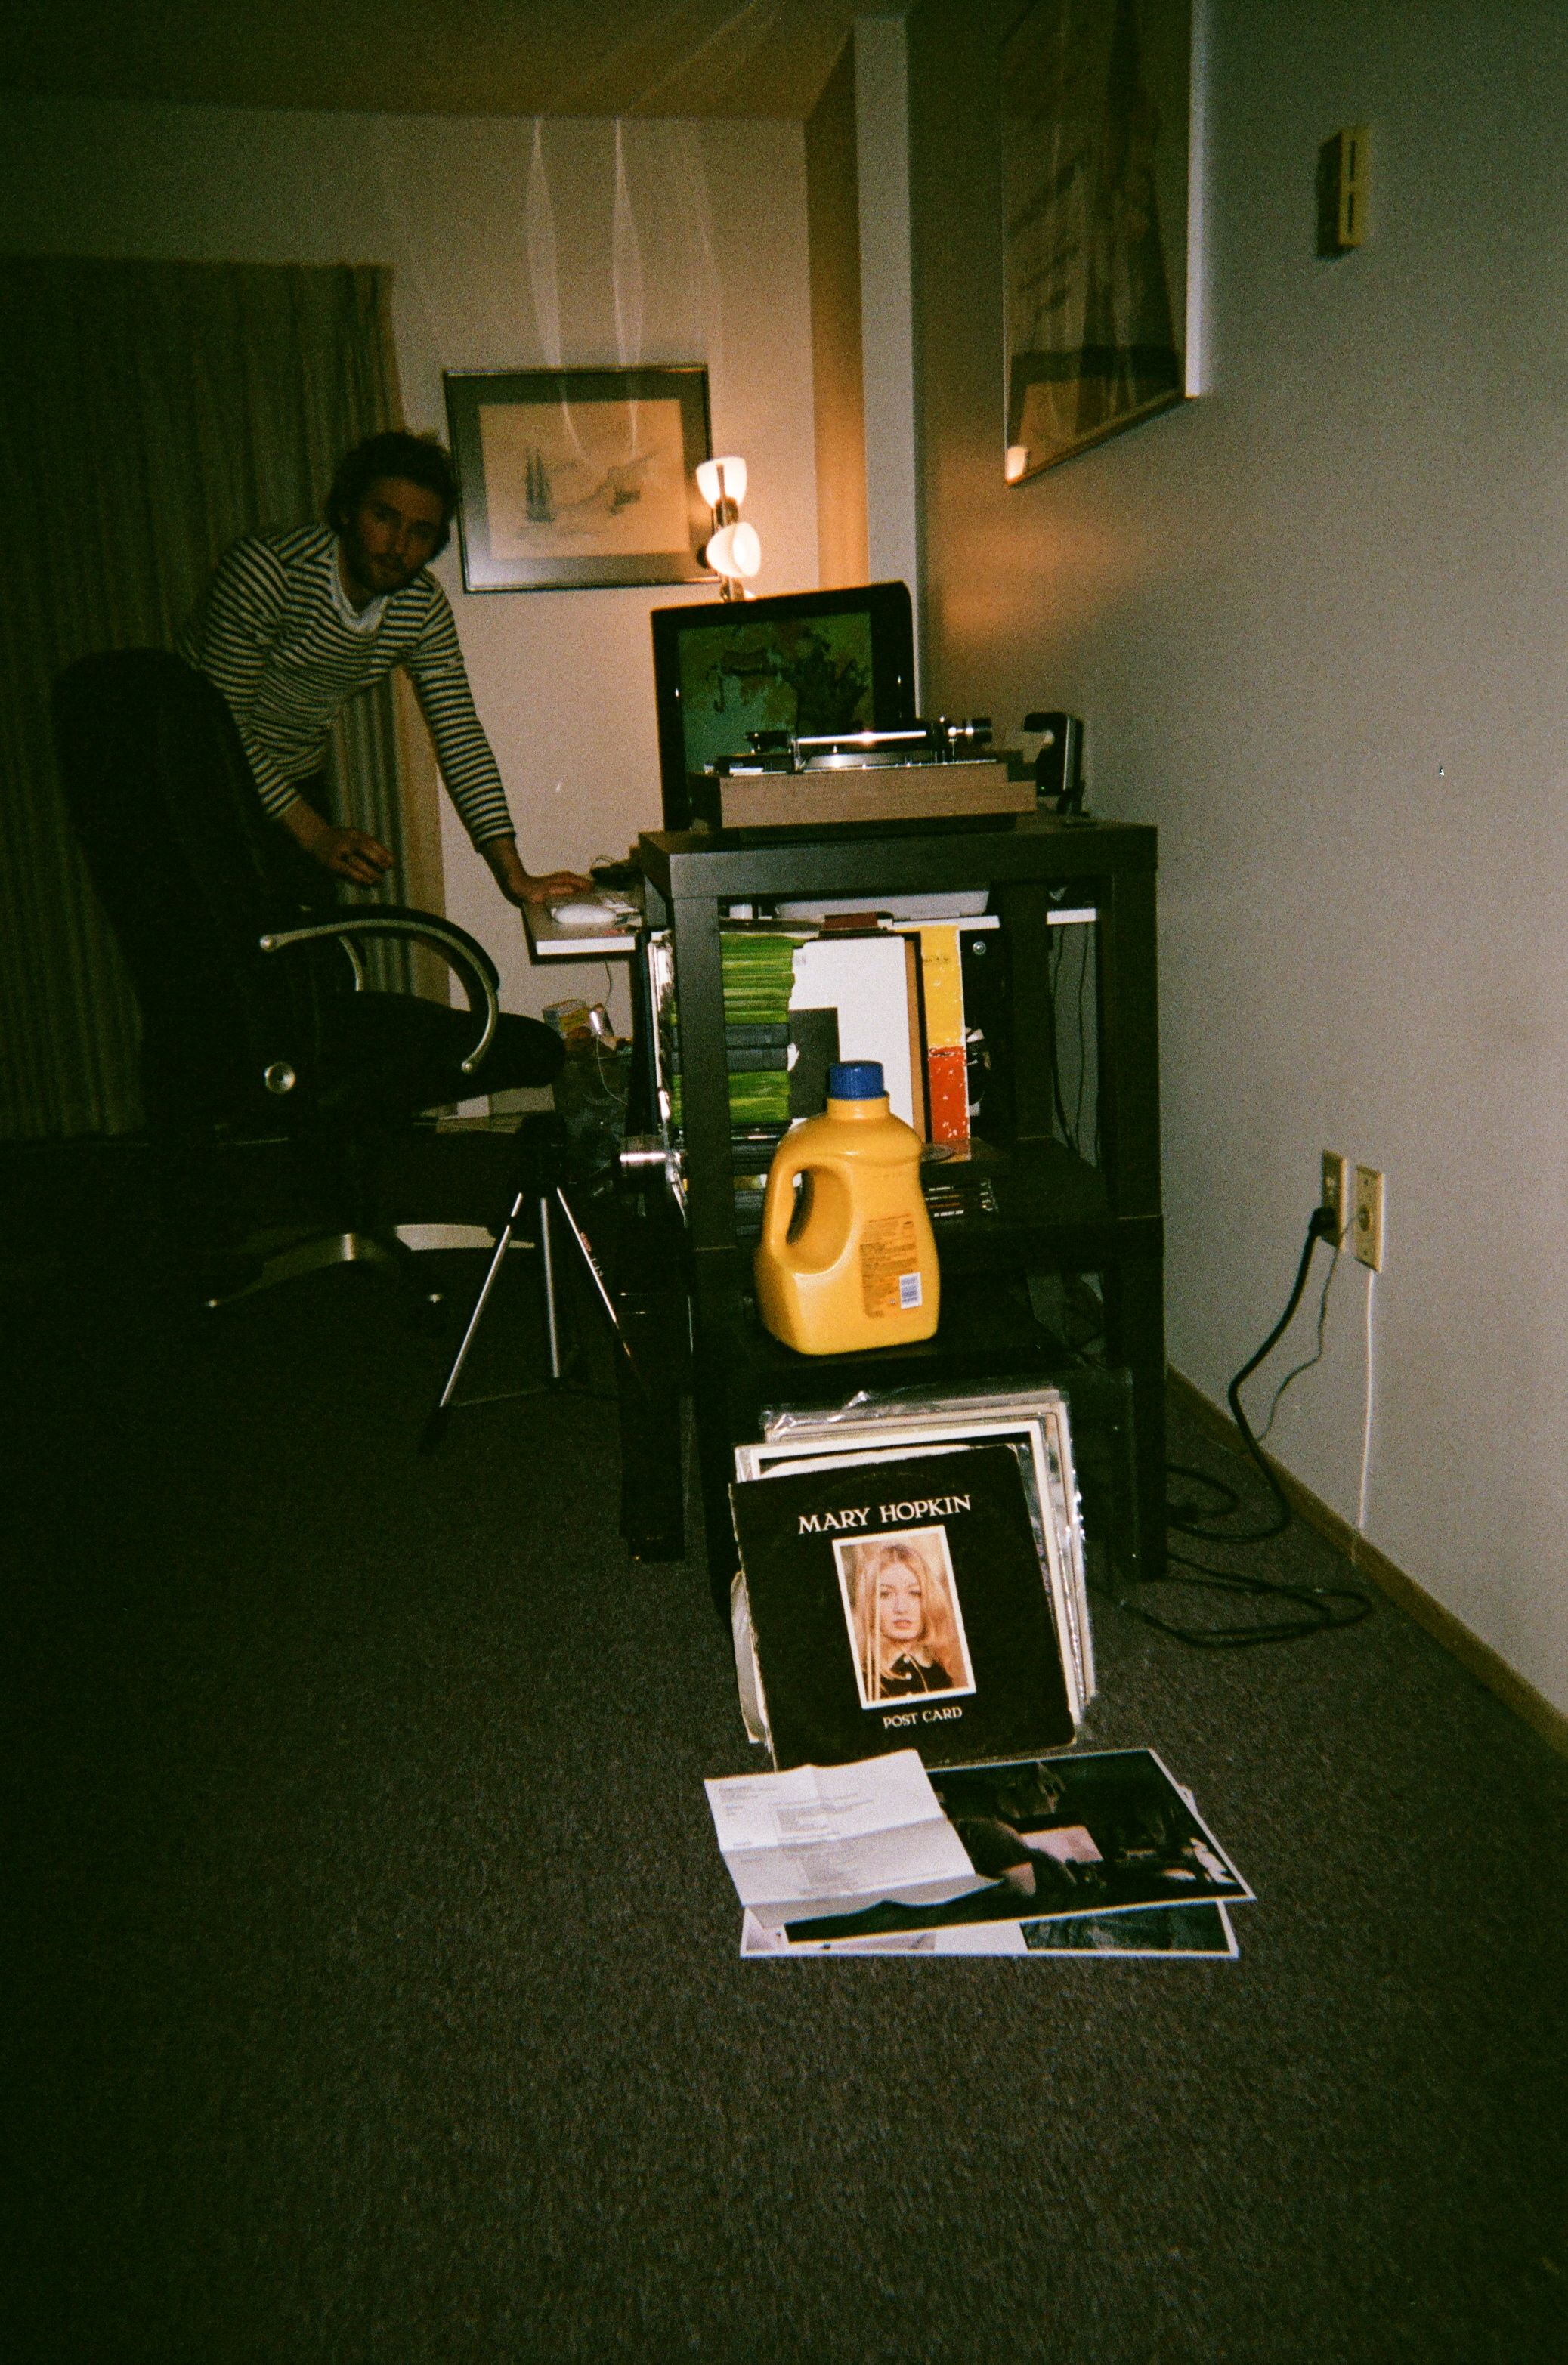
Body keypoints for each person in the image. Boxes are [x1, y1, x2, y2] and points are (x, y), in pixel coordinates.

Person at [179, 428, 592, 912]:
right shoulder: (269, 571)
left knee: (313, 945)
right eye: (384, 518)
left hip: (292, 777)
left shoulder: (421, 606)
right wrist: (316, 835)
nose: (398, 546)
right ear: (347, 511)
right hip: (197, 770)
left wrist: (515, 877)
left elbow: (459, 734)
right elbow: (222, 724)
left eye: (420, 532)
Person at [846, 1535, 965, 1704]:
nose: (901, 1608)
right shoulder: (864, 1677)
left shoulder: (940, 1674)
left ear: (930, 1600)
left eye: (915, 1593)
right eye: (885, 1594)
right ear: (870, 1603)